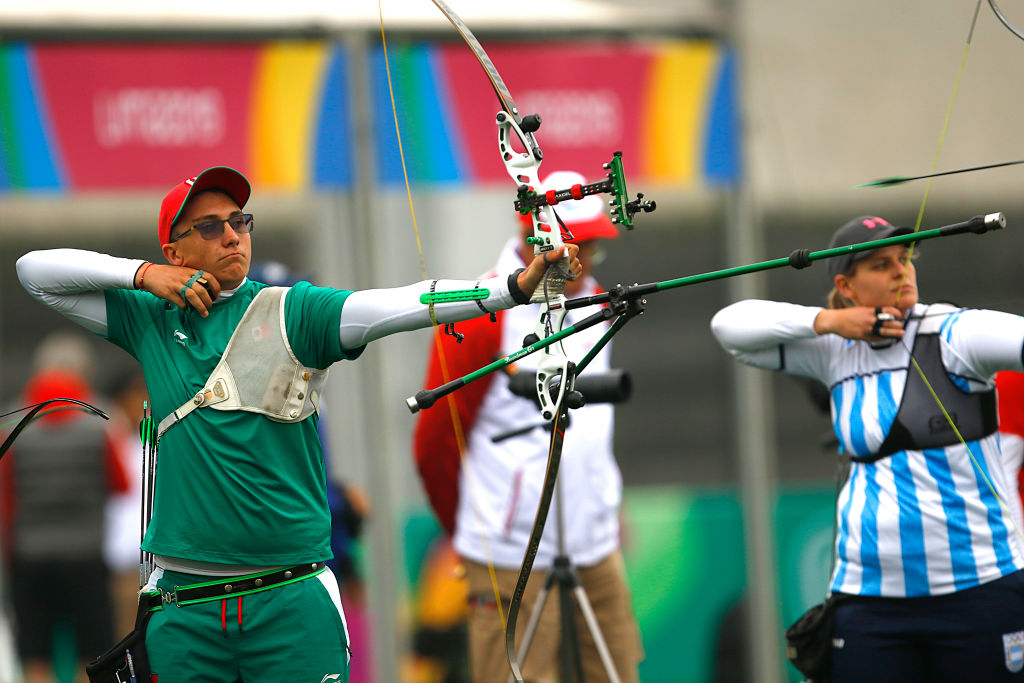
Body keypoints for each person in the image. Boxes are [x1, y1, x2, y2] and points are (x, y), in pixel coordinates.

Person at [15, 166, 580, 683]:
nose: (233, 235)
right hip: (183, 606)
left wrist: (512, 289)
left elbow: (401, 302)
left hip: (288, 597)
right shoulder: (150, 320)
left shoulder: (296, 310)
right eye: (209, 227)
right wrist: (142, 275)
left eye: (239, 221)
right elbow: (34, 273)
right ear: (175, 251)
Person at [711, 215, 1024, 682]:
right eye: (881, 265)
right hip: (869, 598)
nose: (901, 271)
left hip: (978, 588)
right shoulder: (832, 348)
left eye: (905, 259)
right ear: (847, 286)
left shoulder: (956, 334)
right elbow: (728, 327)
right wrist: (829, 322)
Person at [413, 171, 643, 683]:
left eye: (594, 253)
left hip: (596, 544)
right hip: (507, 550)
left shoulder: (598, 299)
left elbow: (592, 427)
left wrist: (603, 504)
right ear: (533, 241)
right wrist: (469, 534)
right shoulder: (478, 313)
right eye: (574, 250)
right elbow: (436, 443)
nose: (585, 266)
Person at [1, 332, 126, 683]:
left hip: (29, 555)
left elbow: (5, 496)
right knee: (93, 653)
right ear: (81, 372)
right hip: (85, 554)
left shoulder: (13, 421)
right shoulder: (101, 421)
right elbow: (123, 484)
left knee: (34, 653)